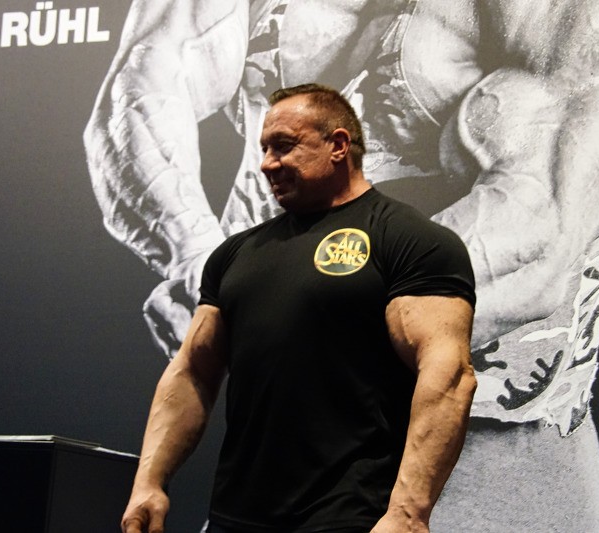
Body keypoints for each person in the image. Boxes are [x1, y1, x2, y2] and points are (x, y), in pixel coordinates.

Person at [85, 1, 599, 530]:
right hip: (280, 449)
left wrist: (283, 310)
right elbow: (140, 88)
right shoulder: (245, 265)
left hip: (481, 469)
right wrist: (199, 259)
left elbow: (539, 229)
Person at [120, 84, 478, 533]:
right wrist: (148, 482)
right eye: (264, 149)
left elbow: (449, 375)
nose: (267, 163)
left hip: (349, 516)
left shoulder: (409, 240)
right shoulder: (236, 255)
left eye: (284, 146)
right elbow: (193, 371)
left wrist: (408, 513)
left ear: (338, 145)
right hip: (237, 516)